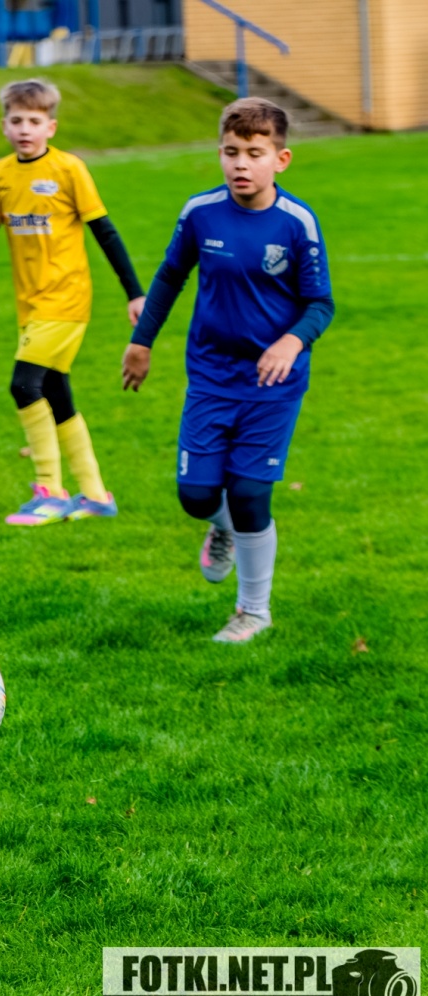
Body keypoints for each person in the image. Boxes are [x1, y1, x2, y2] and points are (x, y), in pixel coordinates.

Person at [122, 98, 333, 643]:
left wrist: (290, 341)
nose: (240, 163)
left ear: (281, 159)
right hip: (211, 377)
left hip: (272, 384)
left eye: (254, 153)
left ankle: (253, 612)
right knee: (195, 496)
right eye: (230, 151)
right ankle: (226, 532)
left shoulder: (297, 223)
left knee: (249, 493)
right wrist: (141, 343)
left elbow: (320, 304)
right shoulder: (200, 213)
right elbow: (170, 277)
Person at [0, 78, 145, 526]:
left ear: (51, 127)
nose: (25, 129)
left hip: (68, 298)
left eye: (34, 121)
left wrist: (134, 291)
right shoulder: (0, 173)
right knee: (56, 393)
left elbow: (105, 232)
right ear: (4, 126)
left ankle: (51, 492)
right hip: (31, 303)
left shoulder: (69, 169)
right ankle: (95, 495)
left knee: (23, 386)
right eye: (17, 120)